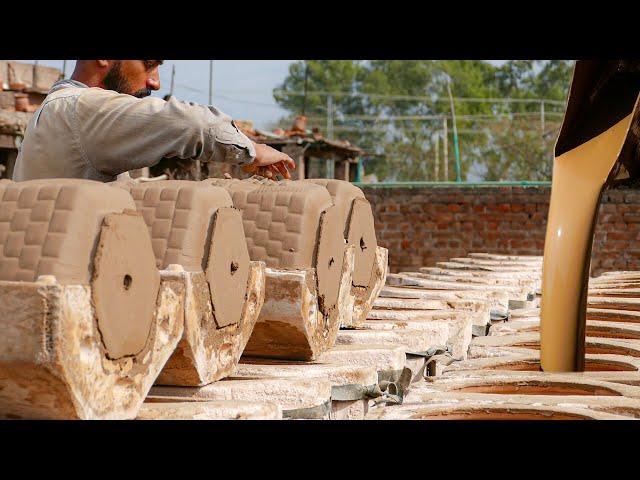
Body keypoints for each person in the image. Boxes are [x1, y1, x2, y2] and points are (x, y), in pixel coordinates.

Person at [12, 60, 294, 182]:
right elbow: (191, 124)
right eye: (148, 65)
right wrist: (252, 150)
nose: (155, 82)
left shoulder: (58, 108)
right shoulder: (81, 108)